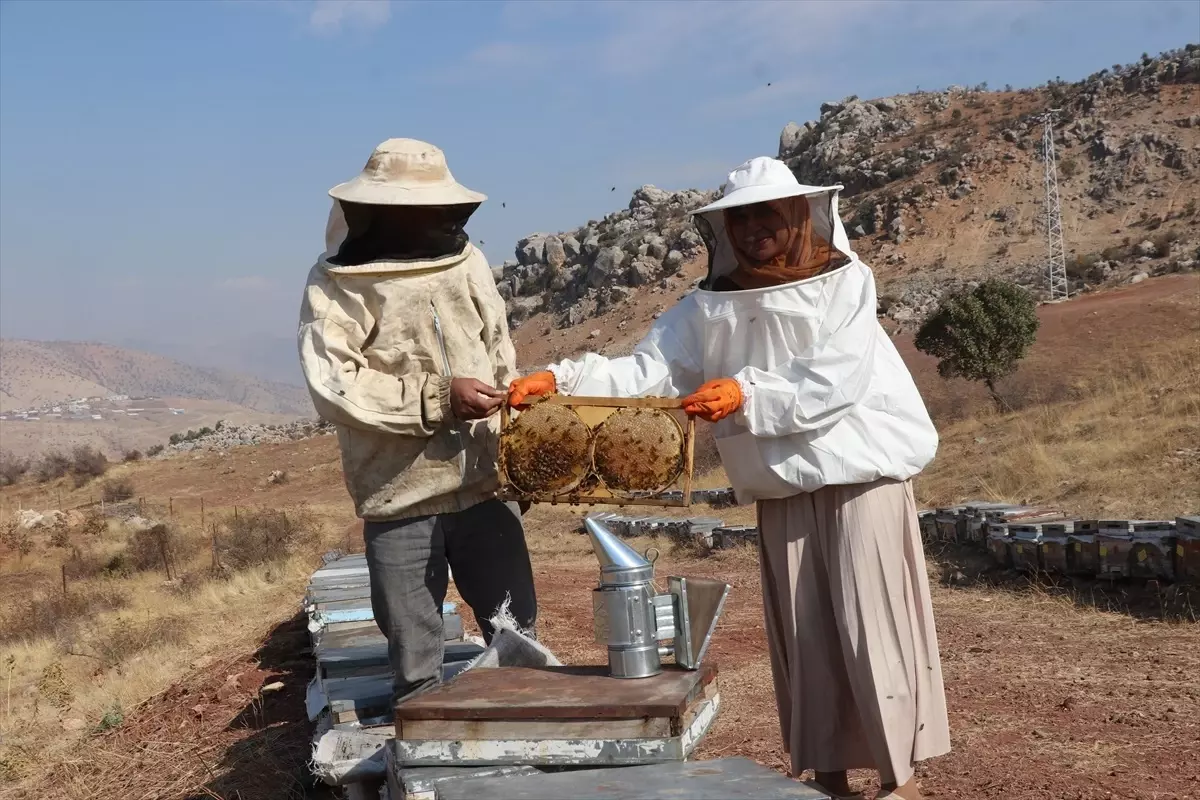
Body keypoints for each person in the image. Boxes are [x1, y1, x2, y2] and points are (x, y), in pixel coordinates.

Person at [509, 156, 950, 799]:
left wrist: (744, 394)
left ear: (798, 215)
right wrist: (563, 379)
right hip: (779, 486)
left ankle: (899, 779)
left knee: (872, 625)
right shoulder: (706, 308)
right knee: (807, 636)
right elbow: (647, 372)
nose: (753, 231)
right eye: (739, 220)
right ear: (722, 231)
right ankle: (829, 780)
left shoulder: (847, 282)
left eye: (766, 216)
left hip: (862, 473)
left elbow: (836, 377)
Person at [299, 138, 537, 703]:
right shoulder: (335, 283)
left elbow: (498, 349)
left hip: (484, 488)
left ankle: (523, 761)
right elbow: (334, 385)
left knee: (518, 638)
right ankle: (426, 776)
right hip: (399, 495)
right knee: (415, 659)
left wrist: (515, 447)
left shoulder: (468, 261)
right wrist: (436, 399)